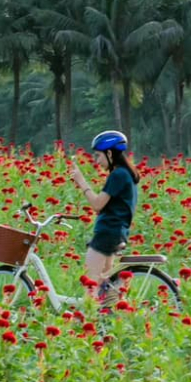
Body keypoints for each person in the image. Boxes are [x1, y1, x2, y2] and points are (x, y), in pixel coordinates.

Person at [68, 130, 137, 305]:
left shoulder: (118, 174)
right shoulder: (124, 174)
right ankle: (107, 324)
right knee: (108, 291)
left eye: (98, 155)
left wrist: (81, 181)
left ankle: (87, 325)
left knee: (91, 287)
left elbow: (97, 204)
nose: (96, 160)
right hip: (115, 233)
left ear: (109, 153)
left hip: (107, 233)